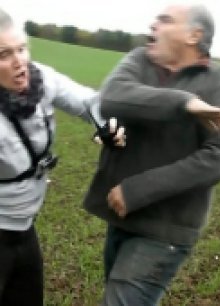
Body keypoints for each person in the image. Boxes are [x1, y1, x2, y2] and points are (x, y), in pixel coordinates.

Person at [84, 3, 220, 306]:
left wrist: (138, 188)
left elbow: (219, 158)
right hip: (121, 219)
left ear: (194, 35)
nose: (153, 26)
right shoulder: (139, 60)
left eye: (165, 20)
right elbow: (111, 97)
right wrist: (184, 103)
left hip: (165, 231)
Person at [0, 8, 126, 306]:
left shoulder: (41, 79)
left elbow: (89, 102)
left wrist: (106, 126)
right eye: (4, 54)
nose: (20, 61)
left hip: (24, 229)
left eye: (22, 48)